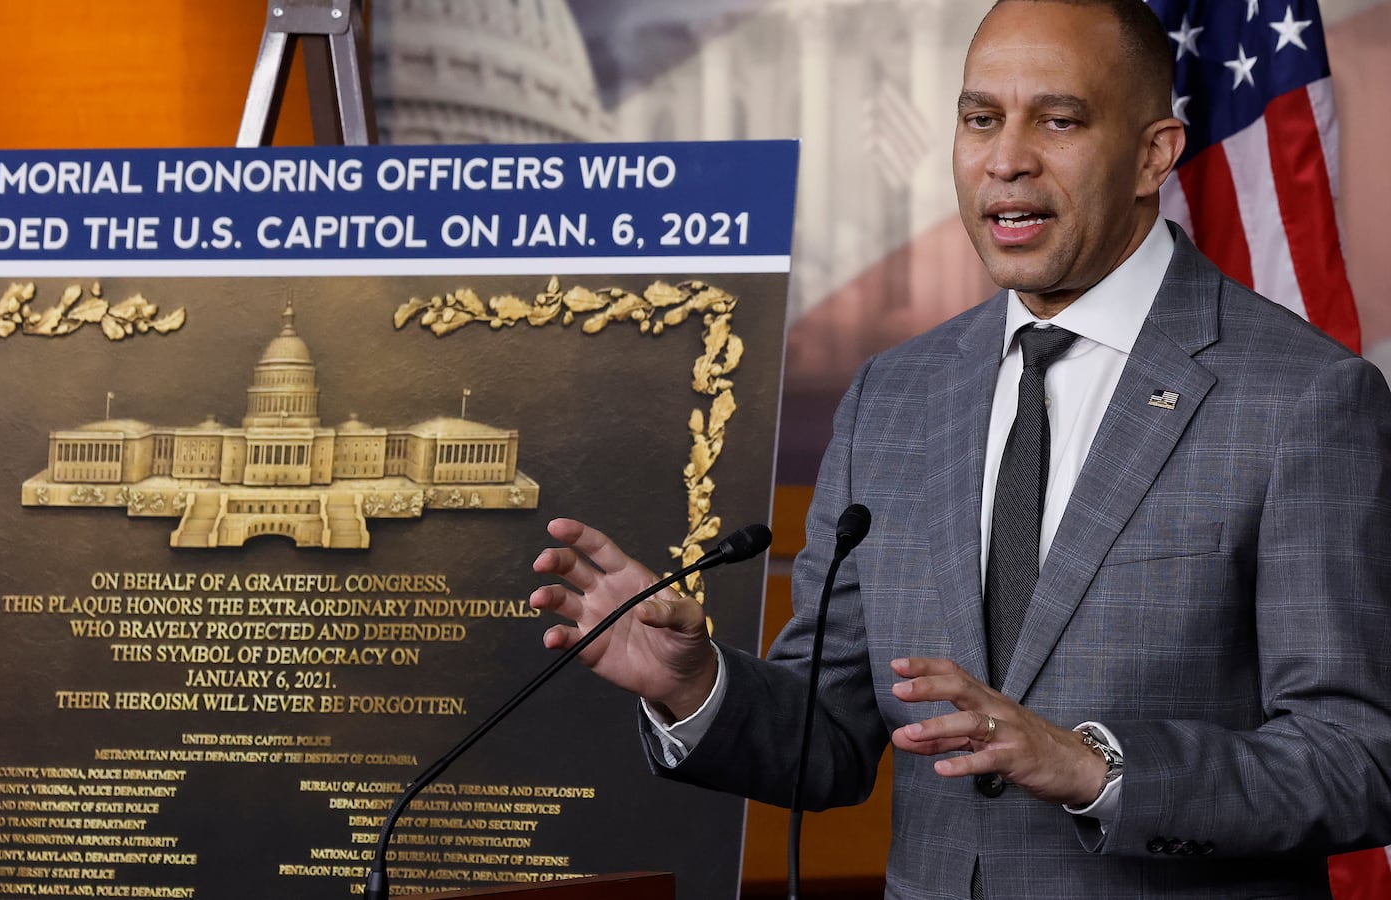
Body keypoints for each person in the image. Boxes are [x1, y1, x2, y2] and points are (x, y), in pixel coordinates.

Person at [528, 0, 1391, 896]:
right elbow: (827, 733)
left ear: (1153, 155)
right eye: (981, 119)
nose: (1006, 158)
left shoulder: (1304, 399)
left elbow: (1359, 760)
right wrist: (695, 682)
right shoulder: (894, 396)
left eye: (1058, 120)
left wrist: (1096, 767)